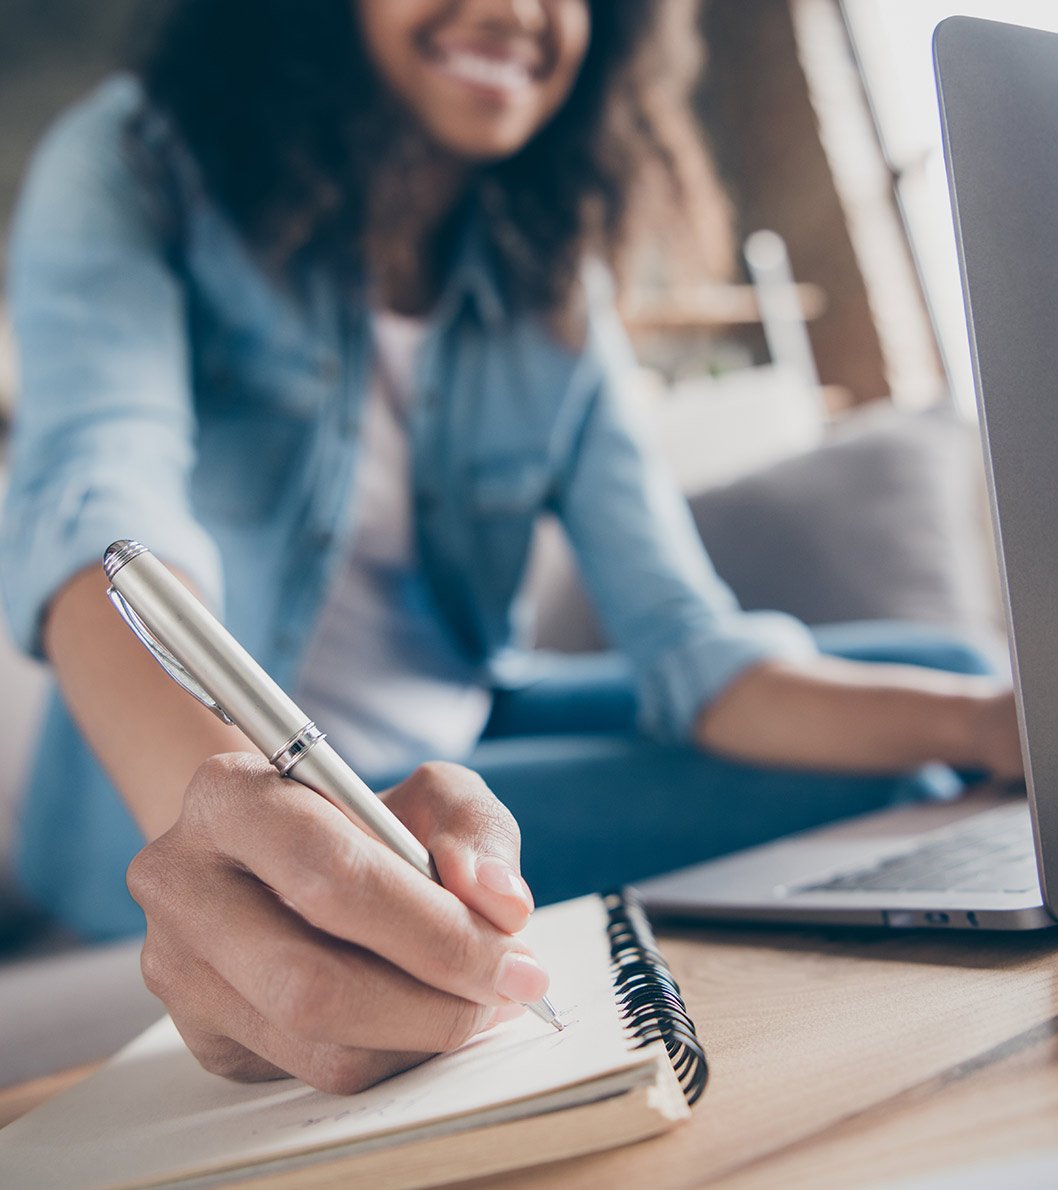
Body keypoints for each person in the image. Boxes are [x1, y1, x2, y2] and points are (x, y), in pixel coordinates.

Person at [1, 0, 1020, 1092]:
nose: (515, 9)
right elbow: (97, 492)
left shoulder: (549, 285)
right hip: (189, 787)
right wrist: (227, 823)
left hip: (468, 721)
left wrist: (993, 723)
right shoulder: (138, 160)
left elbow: (690, 642)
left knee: (961, 681)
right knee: (885, 774)